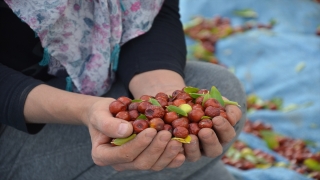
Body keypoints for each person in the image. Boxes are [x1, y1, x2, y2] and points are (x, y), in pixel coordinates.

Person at [0, 0, 246, 179]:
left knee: (219, 93)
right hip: (10, 128)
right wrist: (85, 111)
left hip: (82, 91)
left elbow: (152, 12)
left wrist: (162, 92)